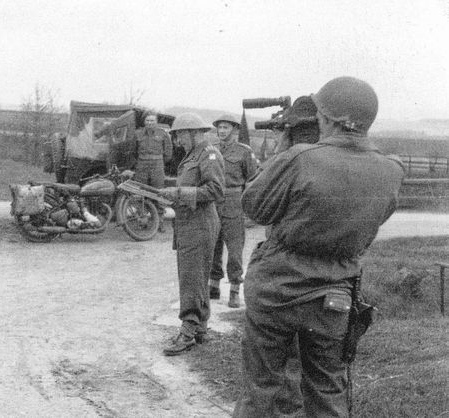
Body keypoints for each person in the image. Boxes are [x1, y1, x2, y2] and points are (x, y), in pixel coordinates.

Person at [233, 76, 405, 417]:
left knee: (263, 386)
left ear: (325, 119)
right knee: (328, 389)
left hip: (277, 289)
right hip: (336, 296)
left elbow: (254, 205)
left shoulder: (299, 158)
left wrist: (283, 150)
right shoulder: (391, 170)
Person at [158, 113, 225, 356]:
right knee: (196, 276)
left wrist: (178, 193)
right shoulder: (193, 155)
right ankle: (201, 328)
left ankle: (187, 332)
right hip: (189, 222)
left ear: (192, 132)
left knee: (191, 277)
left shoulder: (209, 154)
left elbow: (216, 189)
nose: (177, 141)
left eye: (179, 135)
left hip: (200, 223)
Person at [209, 113, 258, 307]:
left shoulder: (244, 152)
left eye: (226, 128)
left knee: (235, 249)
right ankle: (213, 285)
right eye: (219, 128)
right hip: (214, 199)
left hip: (233, 200)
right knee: (213, 244)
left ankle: (235, 289)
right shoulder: (211, 150)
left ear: (235, 130)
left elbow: (252, 180)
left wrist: (246, 206)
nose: (222, 131)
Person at [134, 112, 173, 232]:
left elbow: (168, 152)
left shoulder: (162, 134)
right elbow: (134, 151)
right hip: (141, 165)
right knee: (140, 193)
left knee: (159, 192)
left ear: (156, 122)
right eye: (147, 121)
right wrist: (141, 161)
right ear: (144, 122)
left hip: (157, 165)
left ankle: (159, 222)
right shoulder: (138, 133)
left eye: (152, 121)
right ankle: (143, 221)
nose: (150, 123)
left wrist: (159, 162)